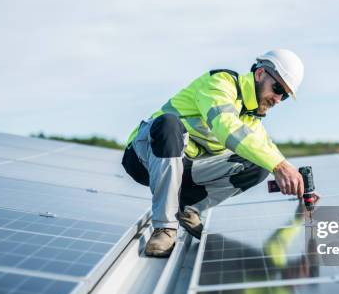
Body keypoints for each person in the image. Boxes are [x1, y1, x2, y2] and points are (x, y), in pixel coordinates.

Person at [122, 49, 306, 257]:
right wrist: (279, 166)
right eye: (277, 88)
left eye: (285, 96)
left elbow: (269, 150)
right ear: (260, 74)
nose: (278, 99)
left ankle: (188, 207)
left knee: (259, 164)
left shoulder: (252, 118)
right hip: (144, 157)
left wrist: (300, 183)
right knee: (169, 124)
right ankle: (165, 227)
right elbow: (225, 125)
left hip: (183, 169)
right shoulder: (221, 84)